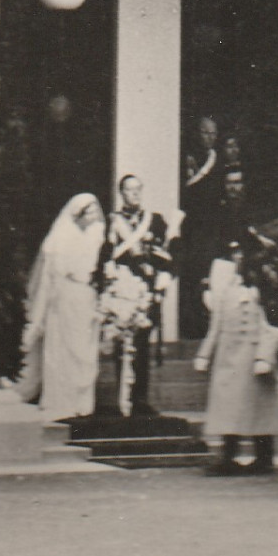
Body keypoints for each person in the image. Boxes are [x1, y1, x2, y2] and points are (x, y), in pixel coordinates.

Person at [195, 244, 278, 476]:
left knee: (260, 410)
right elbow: (216, 325)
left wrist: (265, 356)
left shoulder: (265, 289)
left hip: (255, 358)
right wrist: (204, 354)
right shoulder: (226, 291)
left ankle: (264, 458)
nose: (238, 260)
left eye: (242, 255)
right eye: (234, 256)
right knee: (228, 407)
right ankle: (228, 456)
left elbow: (272, 327)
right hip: (229, 358)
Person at [20, 194, 105, 421]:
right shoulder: (62, 236)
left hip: (86, 296)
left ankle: (82, 403)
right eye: (90, 212)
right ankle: (62, 400)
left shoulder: (96, 235)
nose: (96, 217)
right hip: (66, 296)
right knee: (64, 348)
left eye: (96, 211)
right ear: (78, 214)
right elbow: (55, 272)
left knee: (84, 347)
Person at [100, 174, 174, 418]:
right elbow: (107, 255)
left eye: (137, 190)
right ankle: (123, 399)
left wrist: (164, 280)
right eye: (129, 190)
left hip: (146, 293)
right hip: (122, 293)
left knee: (142, 346)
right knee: (122, 345)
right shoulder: (114, 222)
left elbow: (168, 254)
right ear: (121, 193)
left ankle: (140, 400)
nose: (134, 194)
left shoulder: (154, 222)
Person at [180, 115, 223, 337]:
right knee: (192, 275)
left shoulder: (218, 159)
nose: (209, 138)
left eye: (213, 133)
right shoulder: (190, 159)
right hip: (193, 227)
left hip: (211, 227)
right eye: (205, 132)